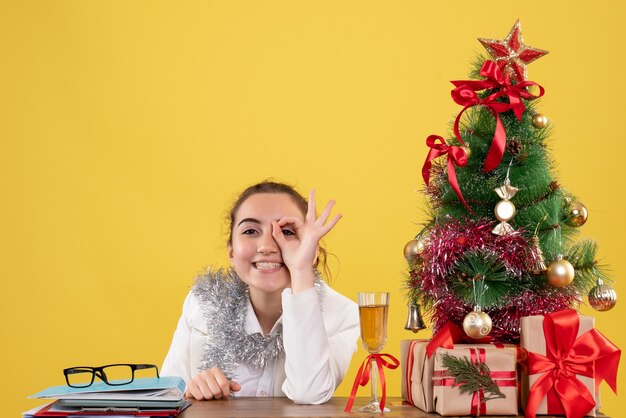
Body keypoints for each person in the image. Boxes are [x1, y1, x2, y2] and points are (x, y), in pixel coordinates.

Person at [161, 181, 359, 404]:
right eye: (251, 231)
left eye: (286, 232)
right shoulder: (202, 303)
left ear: (313, 251)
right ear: (231, 251)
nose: (267, 246)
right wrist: (190, 389)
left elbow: (309, 393)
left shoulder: (342, 314)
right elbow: (165, 397)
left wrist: (301, 269)